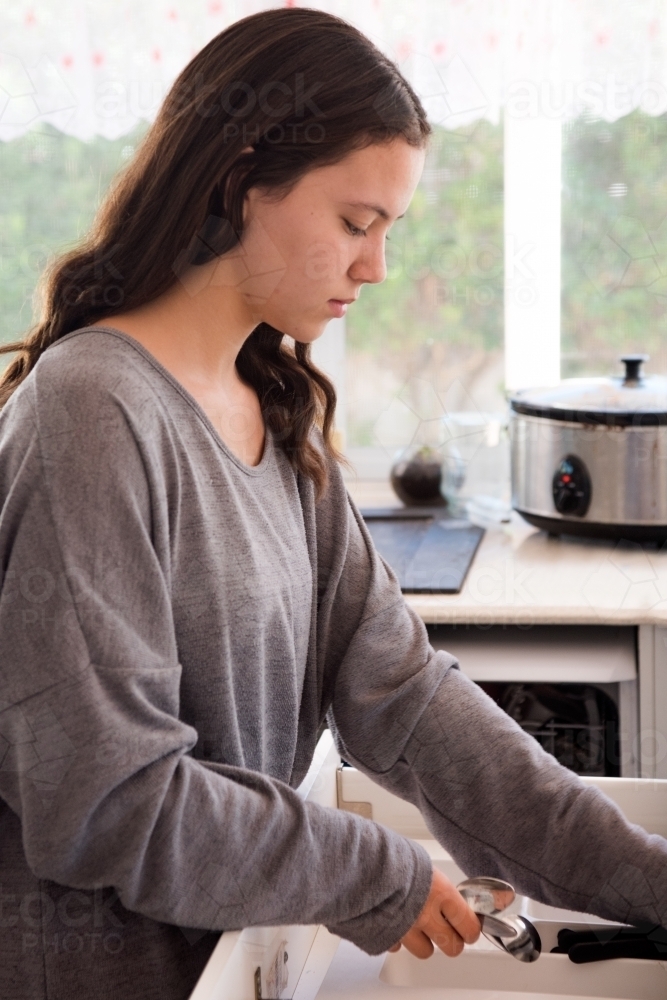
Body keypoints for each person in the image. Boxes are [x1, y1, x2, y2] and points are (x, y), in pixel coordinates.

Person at [0, 8, 665, 999]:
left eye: (388, 230)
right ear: (238, 179)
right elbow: (107, 800)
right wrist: (372, 869)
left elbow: (410, 699)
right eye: (356, 223)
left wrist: (646, 877)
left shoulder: (280, 413)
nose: (376, 266)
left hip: (237, 965)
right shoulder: (92, 413)